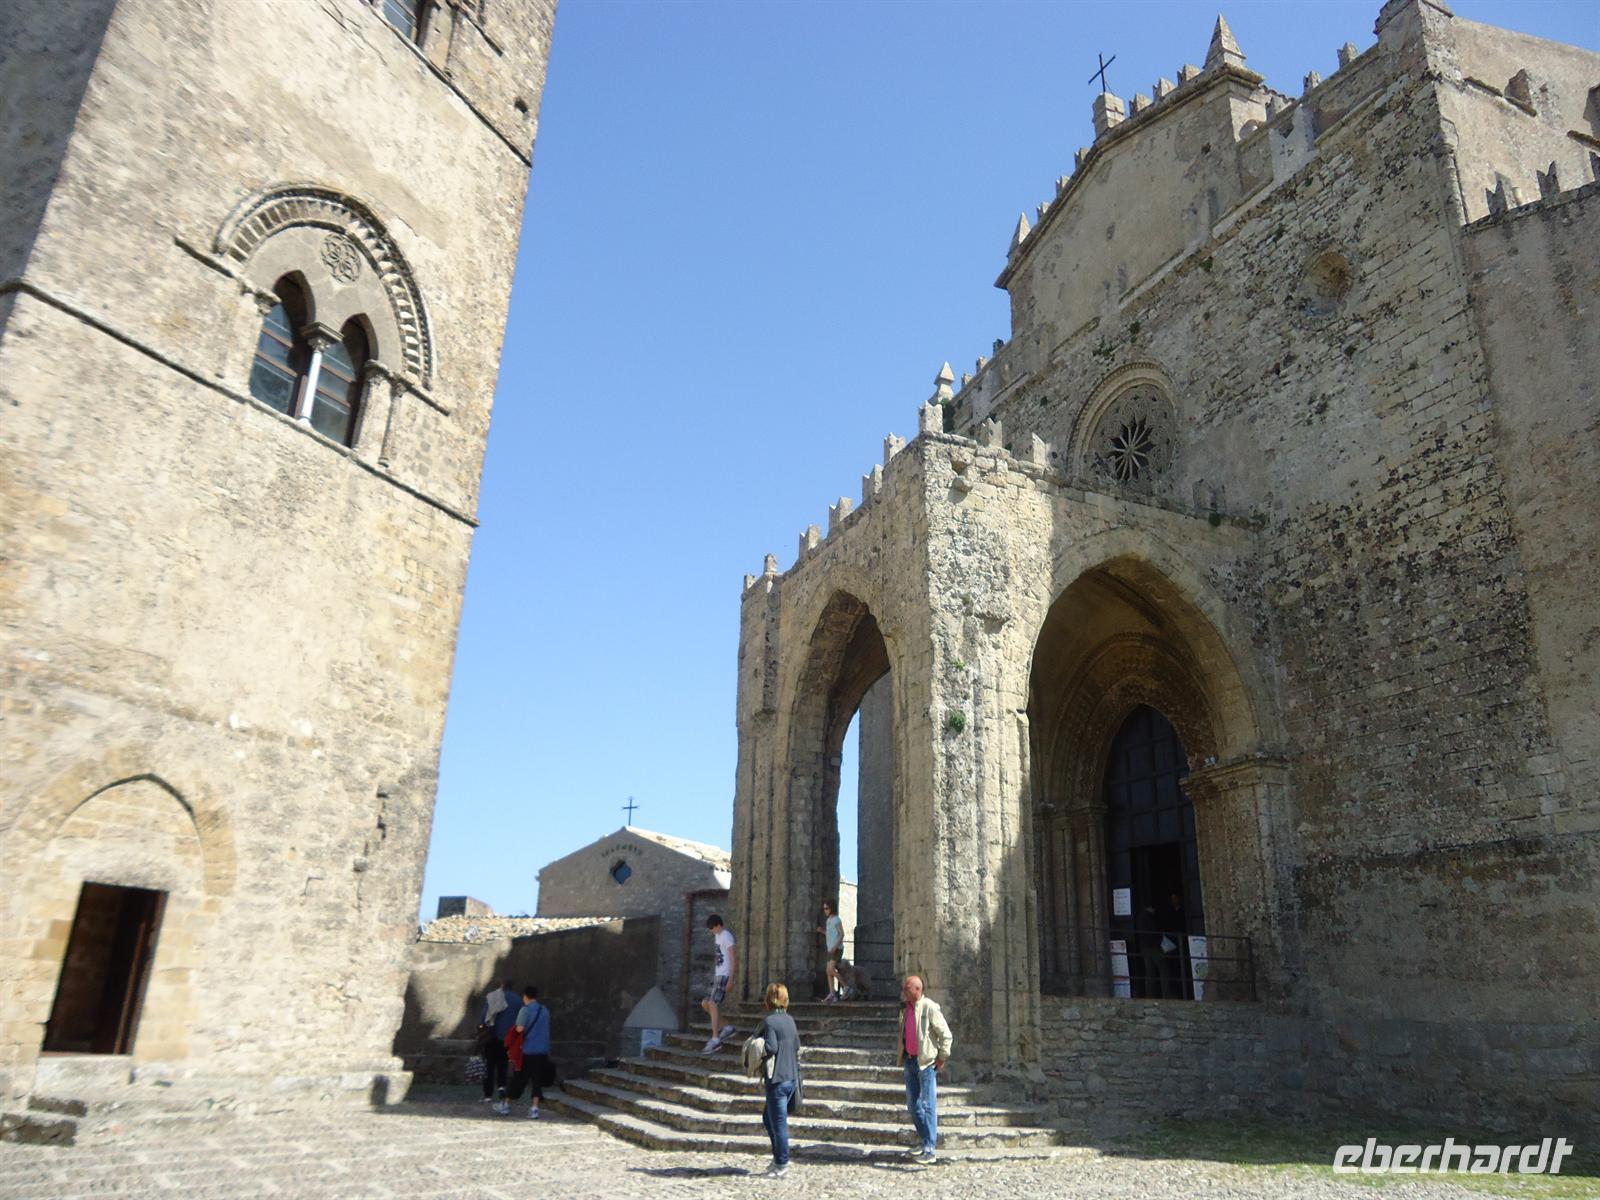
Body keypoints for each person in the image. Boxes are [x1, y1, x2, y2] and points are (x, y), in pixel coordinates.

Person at [897, 974, 952, 1164]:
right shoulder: (905, 1009)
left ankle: (930, 1148)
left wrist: (942, 1057)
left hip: (926, 1063)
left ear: (917, 990)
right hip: (910, 1061)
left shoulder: (929, 1007)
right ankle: (925, 1140)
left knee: (928, 1105)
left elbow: (946, 1035)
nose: (904, 991)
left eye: (907, 988)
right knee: (913, 1106)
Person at [752, 982, 802, 1178]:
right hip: (791, 1078)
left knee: (779, 1124)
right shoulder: (790, 1020)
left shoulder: (769, 1022)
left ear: (768, 1000)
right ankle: (777, 1158)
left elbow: (771, 1047)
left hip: (777, 1079)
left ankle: (781, 1163)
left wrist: (756, 1046)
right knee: (768, 1118)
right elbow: (796, 1045)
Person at [497, 985, 552, 1118]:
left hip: (528, 1050)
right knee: (537, 1080)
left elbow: (520, 1029)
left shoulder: (525, 1010)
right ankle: (534, 1108)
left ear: (525, 996)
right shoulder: (545, 1010)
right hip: (542, 1050)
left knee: (519, 1079)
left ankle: (506, 1104)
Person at [700, 914, 737, 1053]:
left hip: (724, 975)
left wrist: (731, 979)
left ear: (718, 925)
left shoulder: (727, 936)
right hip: (717, 975)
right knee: (705, 1004)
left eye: (712, 928)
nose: (711, 931)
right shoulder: (718, 936)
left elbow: (733, 958)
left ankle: (715, 1039)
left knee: (713, 1003)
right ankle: (727, 1027)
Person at [479, 978, 520, 1103]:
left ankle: (488, 1095)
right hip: (508, 1039)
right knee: (503, 1064)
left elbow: (483, 1018)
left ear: (502, 985)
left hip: (492, 1037)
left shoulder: (494, 997)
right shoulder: (518, 1000)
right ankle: (502, 1088)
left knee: (489, 1066)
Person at [815, 901, 845, 1002]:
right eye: (824, 908)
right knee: (828, 971)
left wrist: (835, 947)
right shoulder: (828, 920)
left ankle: (846, 987)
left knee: (831, 969)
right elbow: (830, 934)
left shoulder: (837, 920)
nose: (825, 911)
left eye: (826, 908)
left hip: (836, 949)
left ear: (832, 908)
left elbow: (841, 934)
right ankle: (832, 994)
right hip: (830, 949)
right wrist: (822, 931)